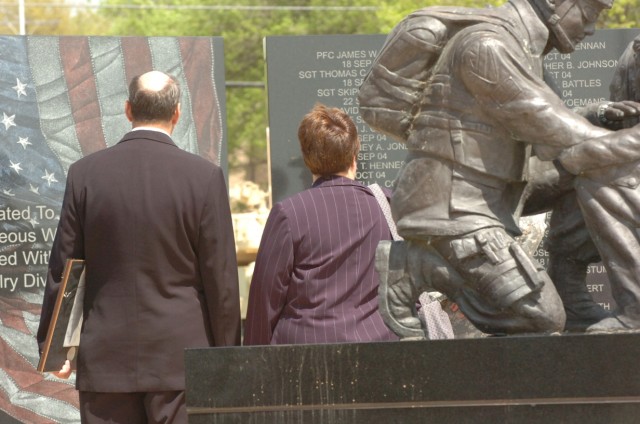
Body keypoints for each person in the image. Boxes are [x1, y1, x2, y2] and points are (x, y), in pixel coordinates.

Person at [359, 0, 640, 336]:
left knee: (592, 163)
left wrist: (596, 115)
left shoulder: (521, 46)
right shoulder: (488, 47)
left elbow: (546, 126)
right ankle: (417, 268)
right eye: (589, 14)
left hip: (498, 191)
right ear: (555, 5)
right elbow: (564, 136)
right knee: (542, 319)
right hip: (454, 207)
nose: (591, 28)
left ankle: (572, 288)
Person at [36, 71, 241, 423]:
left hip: (106, 359)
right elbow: (220, 278)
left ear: (128, 110)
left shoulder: (85, 174)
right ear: (177, 113)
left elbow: (65, 269)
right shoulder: (203, 177)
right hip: (181, 361)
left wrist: (55, 351)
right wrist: (226, 356)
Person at [243, 103, 399, 345]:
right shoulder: (387, 206)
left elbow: (265, 298)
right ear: (355, 154)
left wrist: (253, 360)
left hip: (306, 354)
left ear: (307, 157)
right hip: (378, 349)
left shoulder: (289, 213)